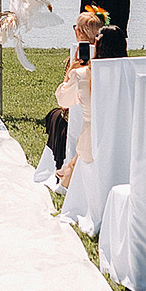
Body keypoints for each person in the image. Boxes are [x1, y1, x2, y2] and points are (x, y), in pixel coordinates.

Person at [51, 11, 105, 186]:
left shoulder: (77, 60)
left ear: (80, 32)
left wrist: (70, 71)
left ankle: (68, 171)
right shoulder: (114, 60)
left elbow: (64, 100)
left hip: (81, 118)